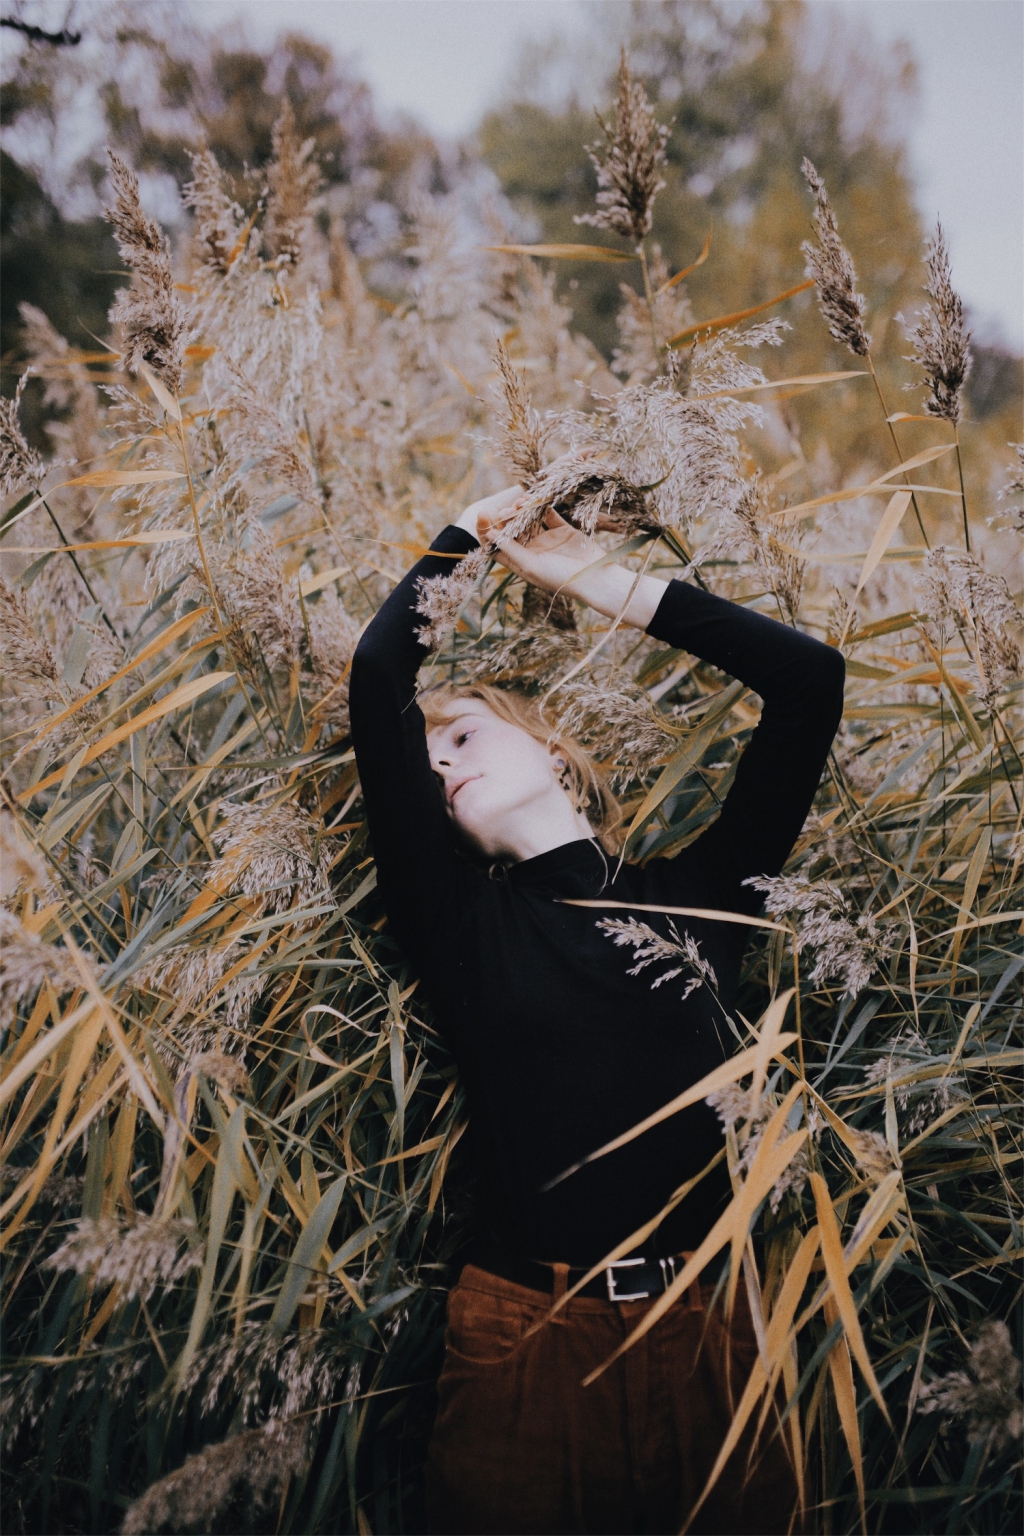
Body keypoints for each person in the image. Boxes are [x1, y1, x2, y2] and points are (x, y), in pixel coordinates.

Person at [349, 483, 846, 1536]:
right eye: (428, 759)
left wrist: (588, 577)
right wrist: (466, 533)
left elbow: (810, 681)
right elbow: (380, 672)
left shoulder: (706, 897)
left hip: (715, 1328)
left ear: (557, 754)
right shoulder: (463, 925)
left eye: (463, 736)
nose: (439, 764)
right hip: (529, 1341)